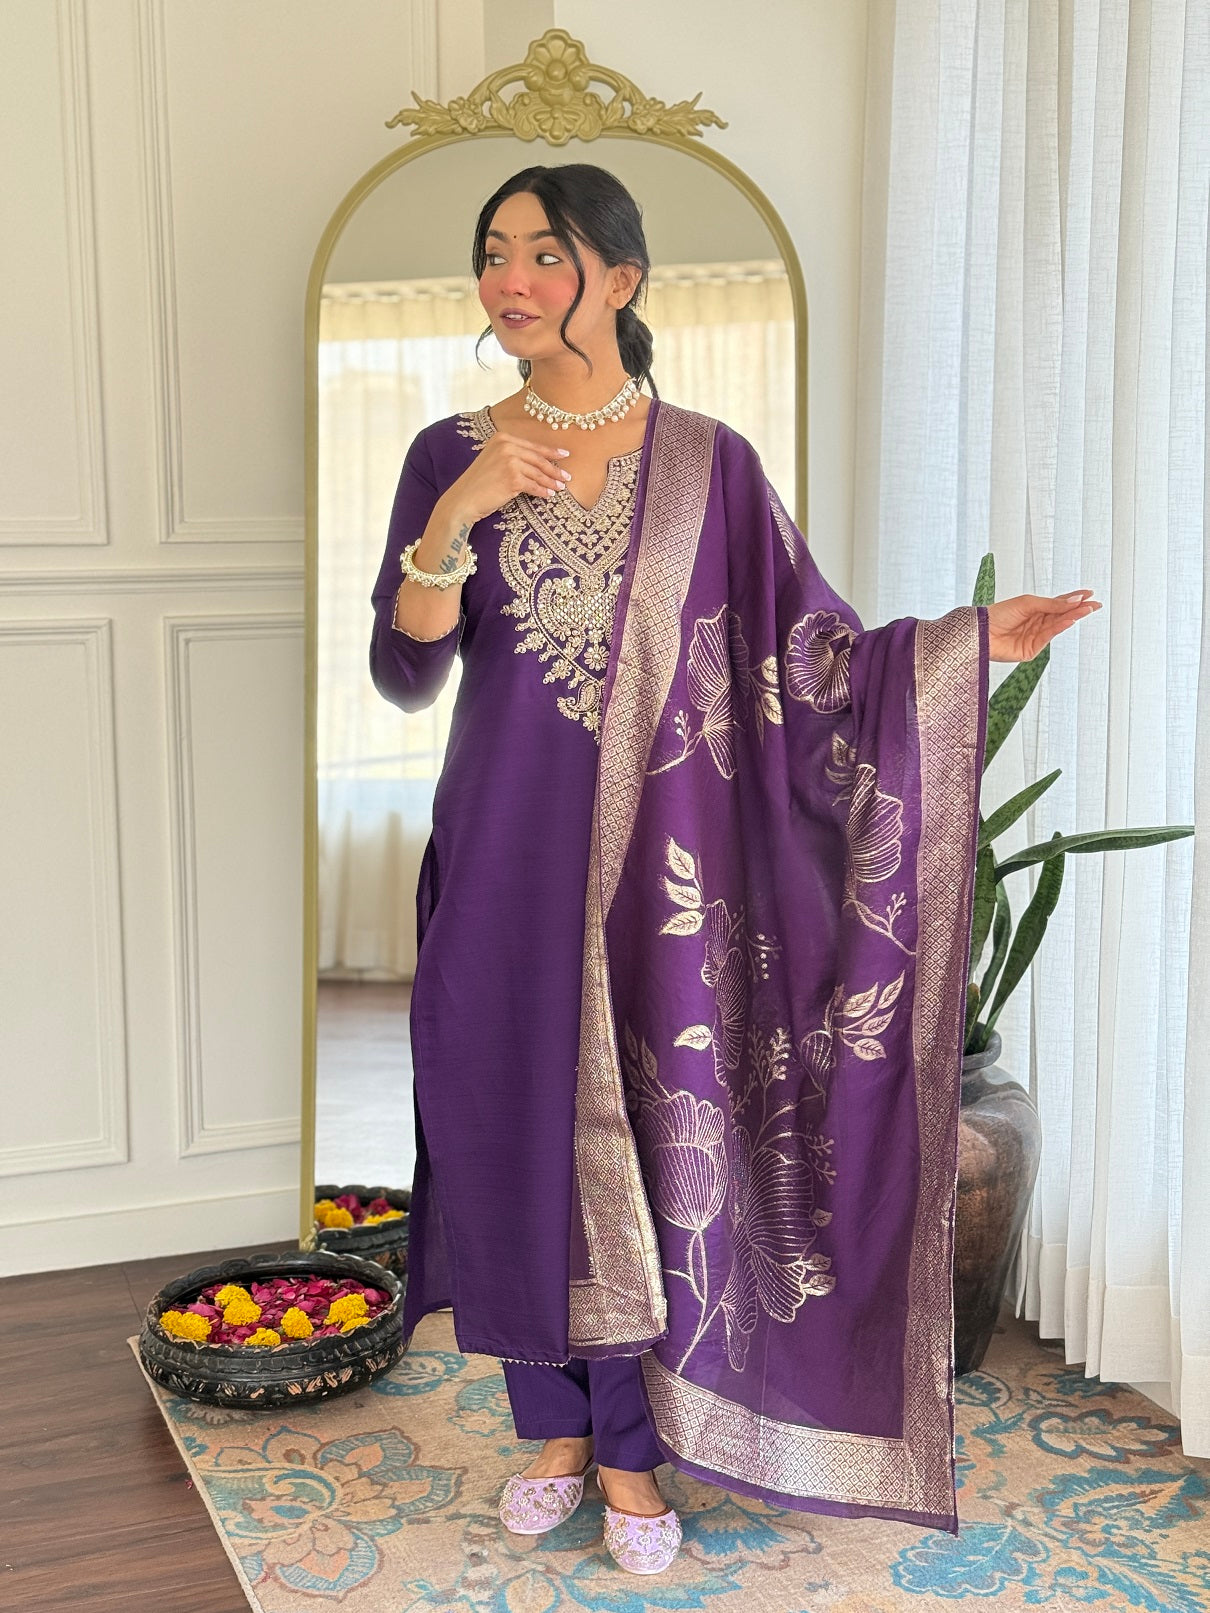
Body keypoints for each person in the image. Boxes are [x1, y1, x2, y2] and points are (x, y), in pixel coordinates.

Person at [367, 163, 1101, 1572]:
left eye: (544, 252)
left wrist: (963, 645)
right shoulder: (445, 449)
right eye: (493, 253)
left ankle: (629, 1455)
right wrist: (456, 512)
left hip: (663, 872)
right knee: (510, 1123)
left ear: (620, 279)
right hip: (501, 851)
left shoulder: (710, 465)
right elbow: (404, 672)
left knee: (648, 1141)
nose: (510, 279)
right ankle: (551, 1430)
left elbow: (807, 663)